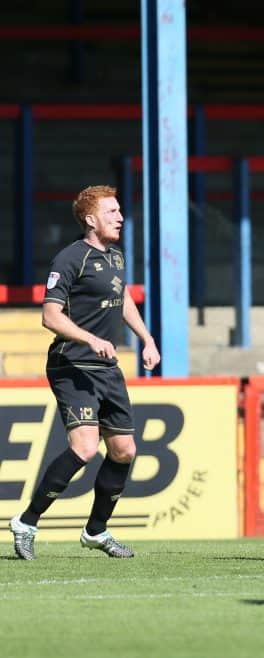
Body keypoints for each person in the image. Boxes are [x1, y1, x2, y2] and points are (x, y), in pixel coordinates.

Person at [9, 185, 160, 560]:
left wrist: (147, 338)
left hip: (106, 367)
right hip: (71, 363)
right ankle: (26, 522)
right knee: (86, 448)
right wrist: (90, 338)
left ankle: (96, 531)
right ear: (91, 220)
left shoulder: (116, 257)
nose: (120, 217)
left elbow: (122, 298)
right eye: (112, 212)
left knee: (124, 450)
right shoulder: (69, 258)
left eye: (120, 211)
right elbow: (50, 315)